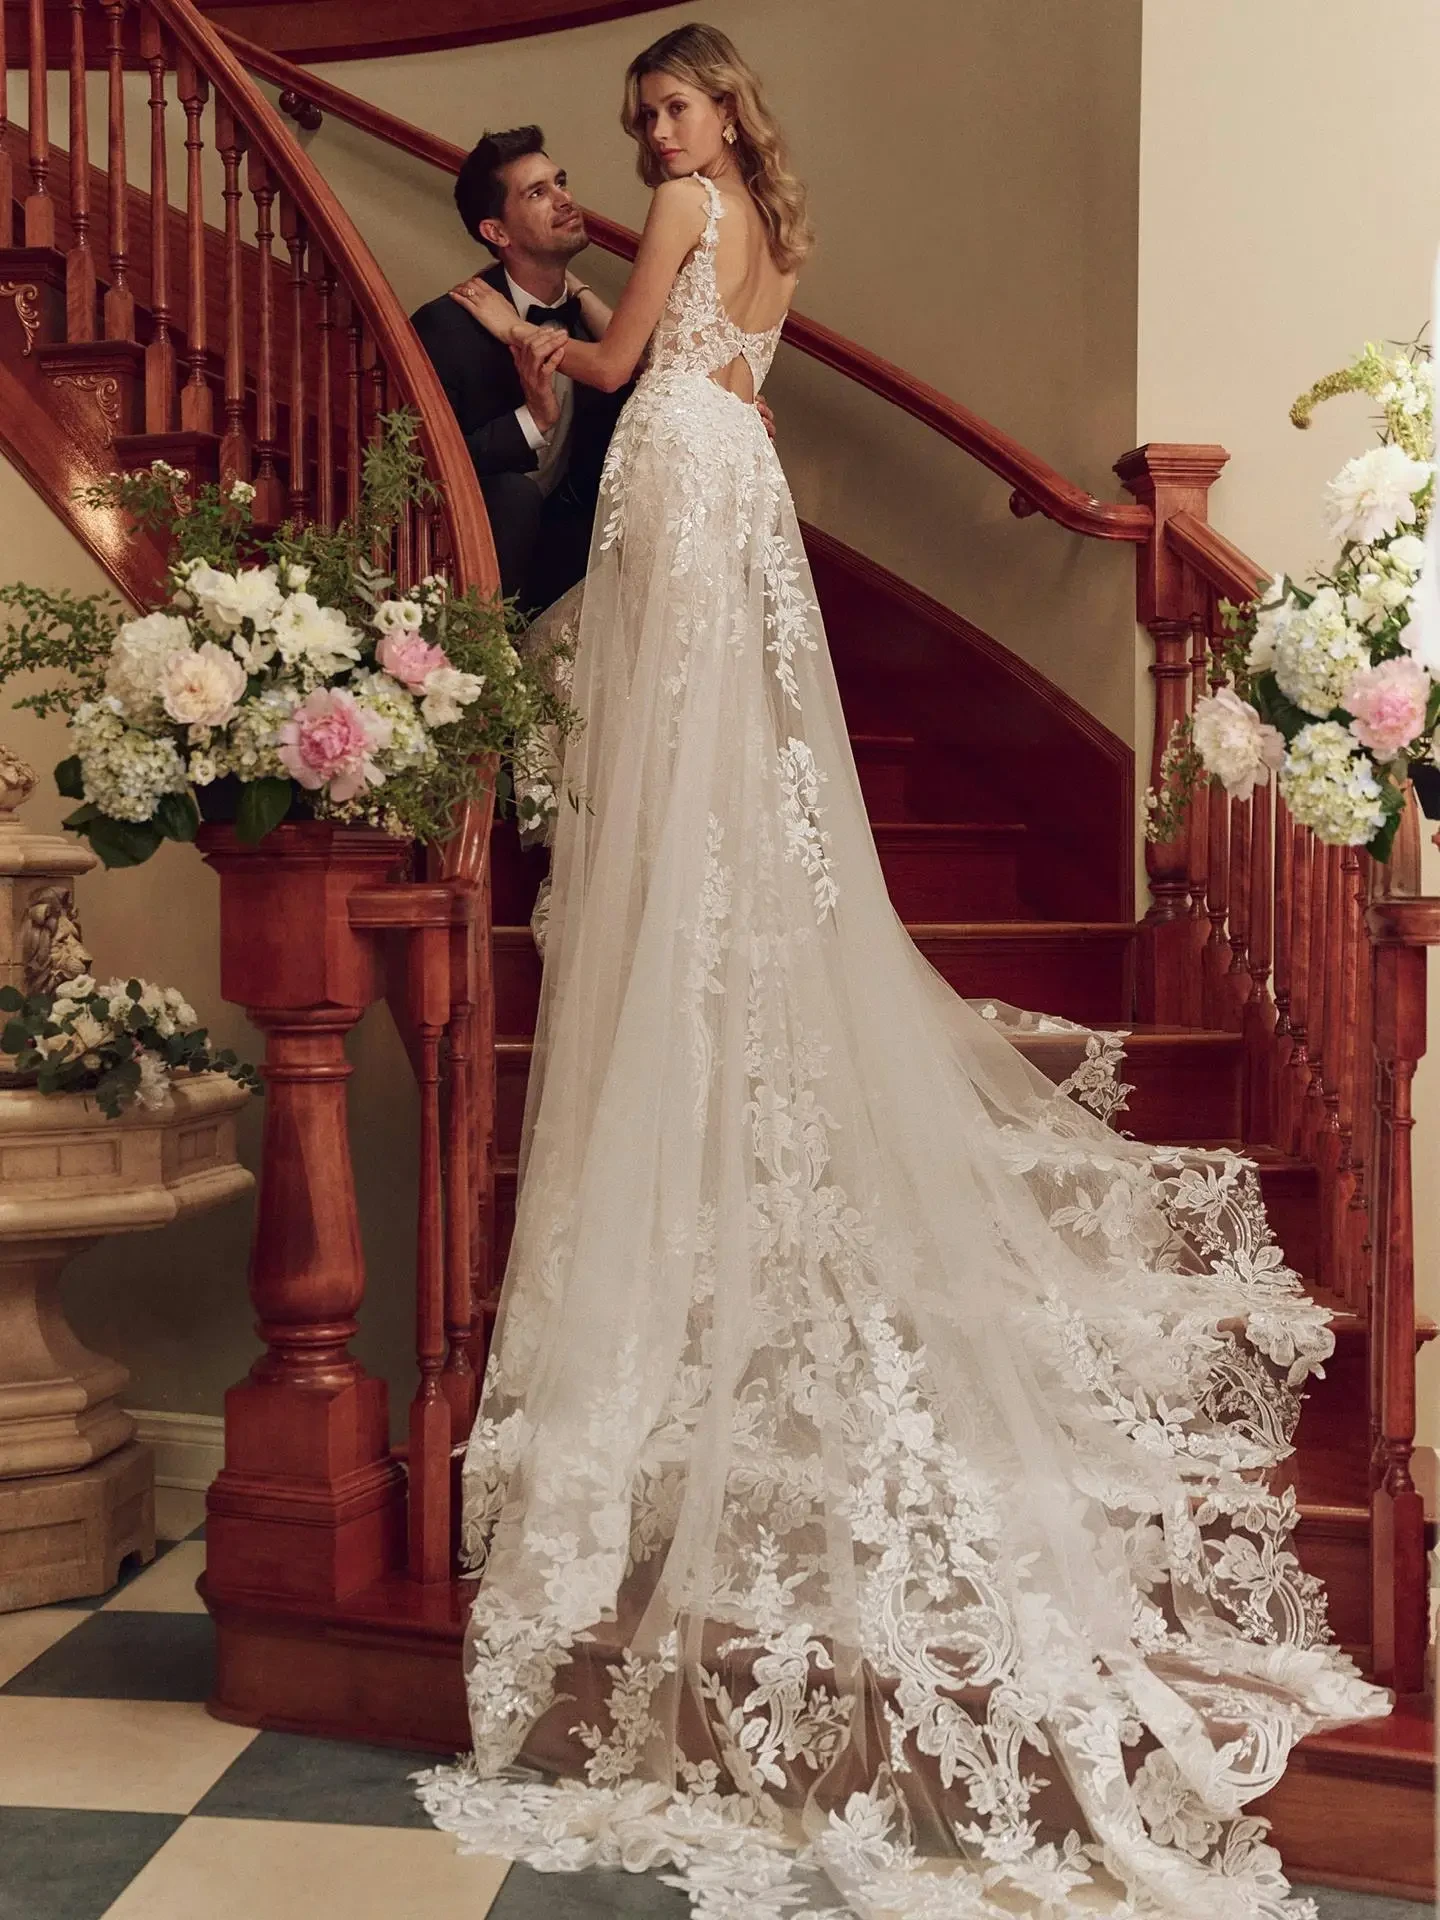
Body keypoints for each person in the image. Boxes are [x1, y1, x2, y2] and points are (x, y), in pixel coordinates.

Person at [417, 25, 1388, 1918]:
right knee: (710, 782)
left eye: (667, 110)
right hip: (740, 489)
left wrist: (548, 348)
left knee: (675, 776)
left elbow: (624, 370)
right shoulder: (776, 217)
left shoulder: (690, 208)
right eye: (637, 128)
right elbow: (736, 379)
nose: (650, 145)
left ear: (711, 110)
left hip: (680, 488)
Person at [410, 127, 628, 616]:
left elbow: (649, 388)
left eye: (561, 182)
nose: (565, 199)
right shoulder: (446, 326)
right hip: (477, 556)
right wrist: (534, 419)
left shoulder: (599, 334)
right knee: (513, 495)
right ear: (497, 233)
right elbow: (422, 467)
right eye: (538, 192)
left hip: (573, 550)